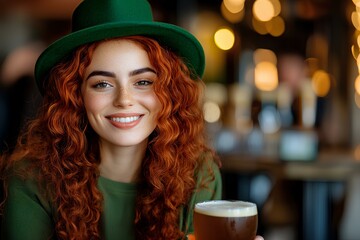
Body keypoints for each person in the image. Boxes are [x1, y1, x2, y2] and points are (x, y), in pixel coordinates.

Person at [0, 0, 264, 239]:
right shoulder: (31, 178)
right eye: (102, 84)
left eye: (143, 82)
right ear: (74, 95)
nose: (124, 100)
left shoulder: (197, 173)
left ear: (168, 92)